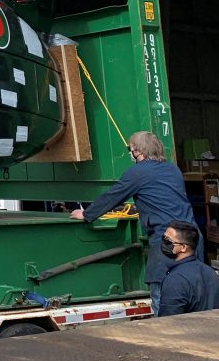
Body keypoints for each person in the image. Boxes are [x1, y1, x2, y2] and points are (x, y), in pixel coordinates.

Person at [70, 131, 202, 313]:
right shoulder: (173, 169)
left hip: (169, 241)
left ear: (138, 151)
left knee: (163, 298)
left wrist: (86, 214)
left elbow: (113, 196)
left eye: (130, 149)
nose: (130, 153)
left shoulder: (137, 173)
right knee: (195, 295)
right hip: (193, 238)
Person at [157, 220, 219, 316]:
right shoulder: (210, 272)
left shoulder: (175, 280)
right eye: (163, 238)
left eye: (168, 241)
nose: (164, 242)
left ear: (183, 248)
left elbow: (167, 322)